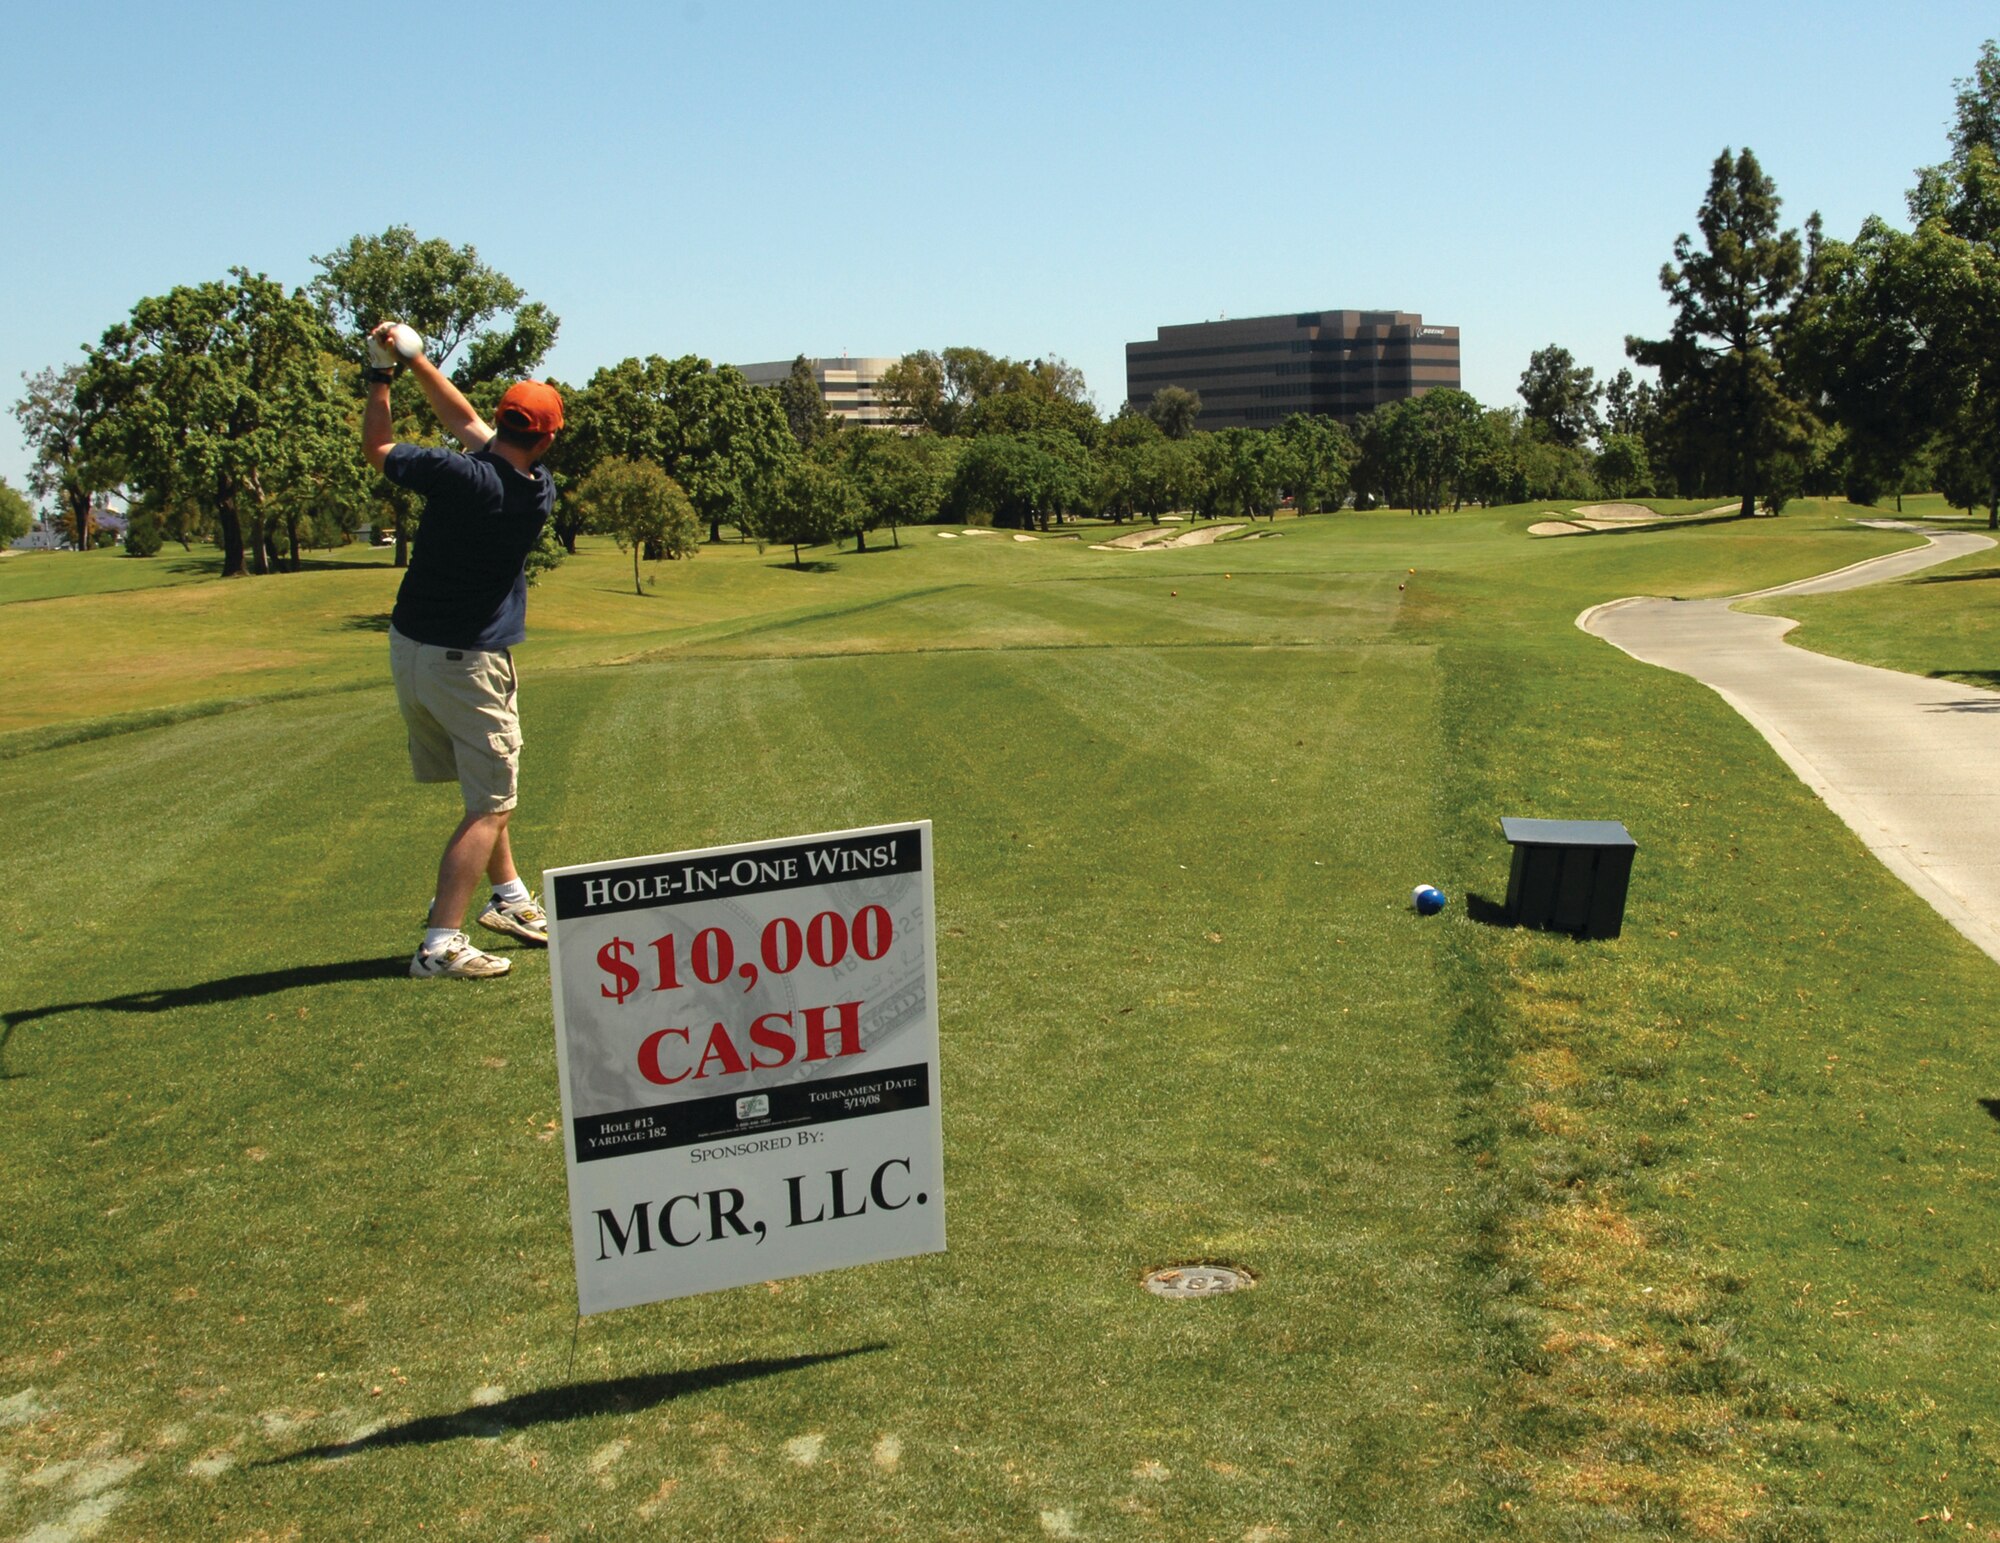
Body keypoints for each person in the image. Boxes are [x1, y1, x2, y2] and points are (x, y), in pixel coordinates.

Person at [360, 322, 562, 978]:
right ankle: (440, 943)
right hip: (469, 665)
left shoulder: (455, 475)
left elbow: (380, 445)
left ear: (504, 422)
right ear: (547, 438)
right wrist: (413, 361)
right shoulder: (533, 491)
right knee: (491, 804)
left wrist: (383, 373)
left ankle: (507, 899)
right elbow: (465, 418)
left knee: (484, 790)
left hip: (411, 650)